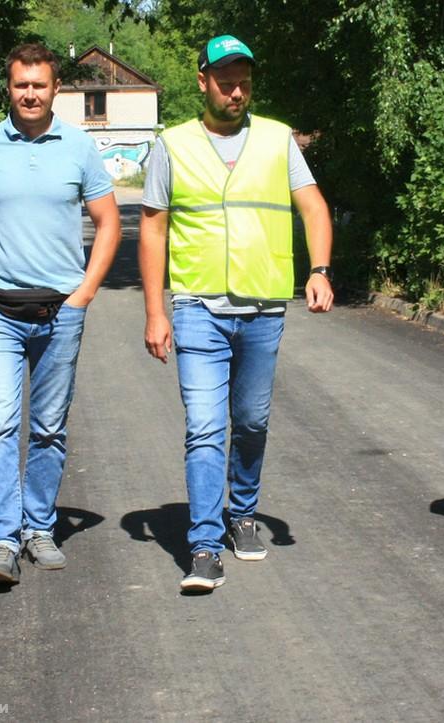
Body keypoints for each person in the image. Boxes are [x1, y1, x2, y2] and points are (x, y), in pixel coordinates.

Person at [139, 35, 334, 592]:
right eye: (225, 79)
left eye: (244, 79)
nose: (236, 89)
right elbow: (151, 229)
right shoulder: (171, 145)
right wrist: (157, 312)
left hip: (263, 307)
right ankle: (203, 547)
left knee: (250, 422)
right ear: (203, 81)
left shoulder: (277, 140)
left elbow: (313, 206)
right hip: (197, 306)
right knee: (204, 427)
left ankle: (242, 511)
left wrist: (319, 269)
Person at [0, 43, 121, 584]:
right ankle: (0, 538)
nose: (30, 93)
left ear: (55, 89)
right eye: (21, 84)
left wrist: (85, 293)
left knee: (48, 427)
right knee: (0, 421)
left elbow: (108, 223)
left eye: (39, 85)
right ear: (9, 87)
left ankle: (39, 526)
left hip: (59, 311)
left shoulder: (80, 148)